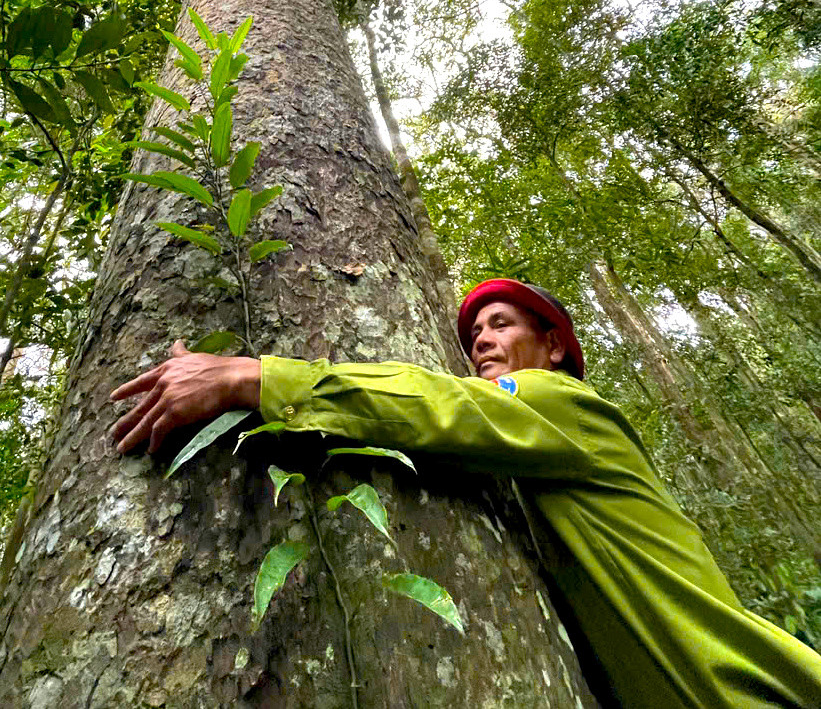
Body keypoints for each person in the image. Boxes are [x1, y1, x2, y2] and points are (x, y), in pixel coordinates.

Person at [110, 278, 821, 708]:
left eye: (501, 326)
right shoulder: (529, 469)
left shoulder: (561, 403)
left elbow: (441, 406)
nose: (481, 342)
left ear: (552, 348)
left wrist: (253, 377)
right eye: (474, 333)